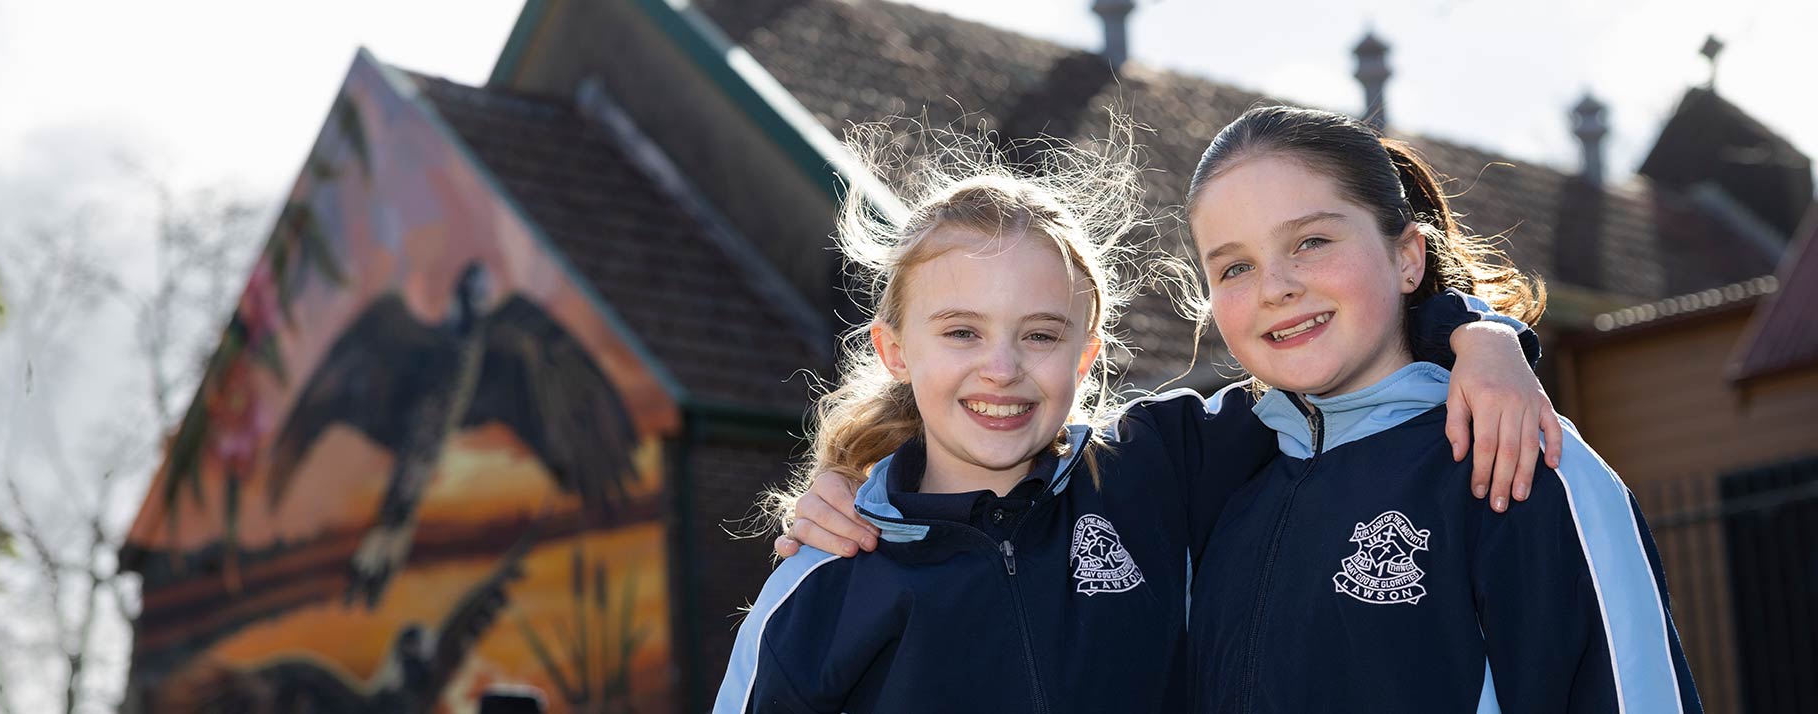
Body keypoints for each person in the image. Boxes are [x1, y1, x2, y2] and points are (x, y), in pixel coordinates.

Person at [723, 121, 1556, 713]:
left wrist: (1476, 335)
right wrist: (846, 486)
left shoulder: (1157, 468)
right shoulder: (829, 575)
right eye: (962, 332)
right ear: (896, 351)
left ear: (1087, 356)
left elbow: (1341, 369)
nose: (1002, 367)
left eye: (1041, 335)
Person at [1180, 105, 1699, 712]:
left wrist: (1482, 332)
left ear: (1407, 258)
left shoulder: (1519, 456)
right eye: (1236, 266)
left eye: (1311, 241)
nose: (1275, 287)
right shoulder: (1209, 486)